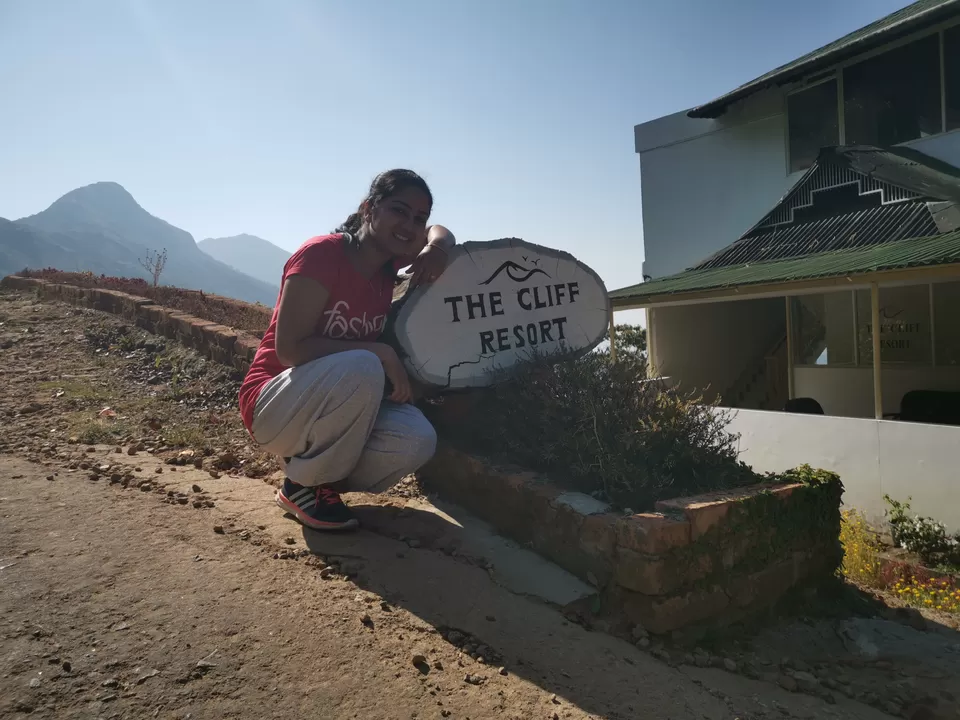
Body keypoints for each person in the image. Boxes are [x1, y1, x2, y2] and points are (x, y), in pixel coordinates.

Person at [237, 169, 455, 531]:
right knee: (364, 364)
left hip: (326, 402)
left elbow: (441, 231)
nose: (410, 225)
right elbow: (289, 350)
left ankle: (320, 482)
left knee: (417, 438)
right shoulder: (323, 254)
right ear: (369, 209)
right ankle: (303, 485)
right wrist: (380, 352)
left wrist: (437, 247)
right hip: (273, 402)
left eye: (419, 218)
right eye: (399, 210)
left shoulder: (388, 266)